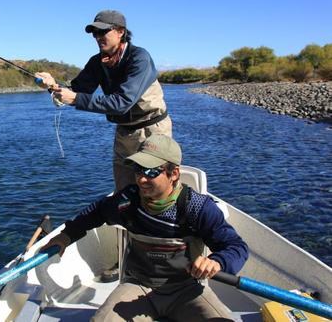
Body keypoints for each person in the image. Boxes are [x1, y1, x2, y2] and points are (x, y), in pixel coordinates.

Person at [42, 135, 248, 321]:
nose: (141, 179)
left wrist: (217, 262)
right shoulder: (127, 201)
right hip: (138, 285)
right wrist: (65, 236)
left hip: (186, 289)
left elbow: (236, 247)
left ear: (174, 173)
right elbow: (95, 213)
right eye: (138, 169)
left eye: (150, 171)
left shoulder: (198, 207)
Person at [35, 10, 172, 191]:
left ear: (121, 31)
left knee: (155, 190)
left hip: (152, 131)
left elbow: (121, 103)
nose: (98, 37)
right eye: (95, 33)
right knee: (124, 191)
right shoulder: (97, 62)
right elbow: (75, 90)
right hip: (124, 133)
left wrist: (75, 99)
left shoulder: (139, 58)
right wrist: (52, 86)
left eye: (103, 31)